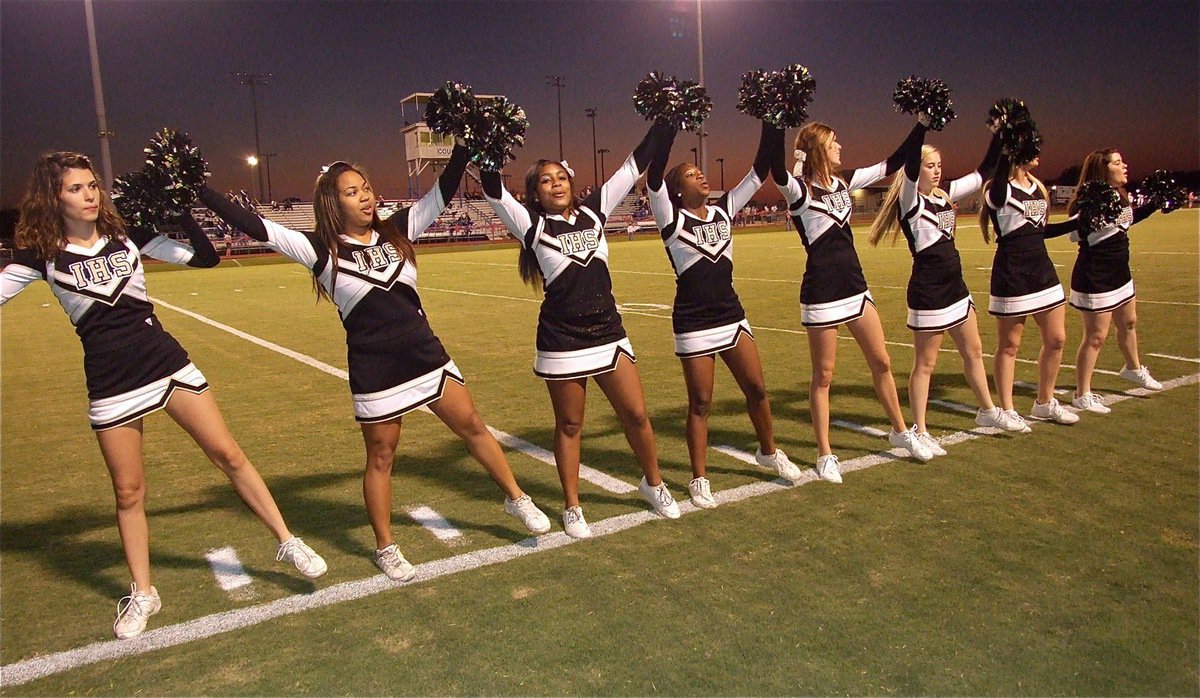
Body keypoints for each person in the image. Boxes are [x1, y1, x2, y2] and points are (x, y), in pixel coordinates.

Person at [0, 152, 327, 640]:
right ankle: (144, 592)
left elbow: (204, 258)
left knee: (228, 454)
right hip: (110, 379)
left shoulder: (127, 233)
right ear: (53, 197)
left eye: (93, 186)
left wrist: (184, 209)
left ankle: (287, 540)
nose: (89, 195)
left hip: (164, 361)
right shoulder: (38, 254)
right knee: (129, 492)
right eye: (76, 188)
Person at [199, 142, 551, 581]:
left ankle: (515, 497)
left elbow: (441, 192)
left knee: (473, 426)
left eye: (366, 188)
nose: (366, 196)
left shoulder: (398, 230)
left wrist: (462, 147)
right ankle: (386, 546)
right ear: (332, 202)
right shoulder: (319, 249)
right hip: (376, 369)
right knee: (381, 457)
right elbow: (255, 225)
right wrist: (199, 189)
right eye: (352, 192)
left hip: (425, 354)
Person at [481, 121, 681, 538]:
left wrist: (665, 119)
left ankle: (654, 484)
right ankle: (573, 505)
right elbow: (492, 187)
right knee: (570, 425)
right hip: (562, 339)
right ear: (535, 194)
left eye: (561, 177)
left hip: (609, 330)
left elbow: (634, 164)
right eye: (546, 181)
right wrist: (486, 142)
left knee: (637, 415)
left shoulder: (594, 211)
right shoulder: (532, 226)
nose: (556, 184)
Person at [647, 120, 803, 508]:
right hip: (694, 322)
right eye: (689, 175)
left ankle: (769, 451)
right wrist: (668, 122)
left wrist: (772, 121)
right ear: (677, 191)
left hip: (731, 316)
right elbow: (653, 178)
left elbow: (760, 171)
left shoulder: (723, 211)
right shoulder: (672, 219)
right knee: (700, 402)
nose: (700, 176)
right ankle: (699, 478)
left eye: (700, 172)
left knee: (757, 389)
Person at [771, 117, 934, 484]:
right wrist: (776, 120)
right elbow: (774, 170)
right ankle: (825, 453)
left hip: (856, 288)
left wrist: (921, 124)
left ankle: (899, 431)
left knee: (882, 361)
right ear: (817, 150)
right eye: (833, 143)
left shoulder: (845, 183)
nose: (840, 147)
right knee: (824, 375)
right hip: (822, 294)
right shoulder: (800, 191)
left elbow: (892, 162)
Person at [867, 126, 1031, 452]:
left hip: (957, 287)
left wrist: (1001, 134)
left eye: (940, 165)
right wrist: (922, 124)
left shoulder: (944, 194)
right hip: (929, 290)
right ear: (917, 169)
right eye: (930, 165)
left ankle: (987, 410)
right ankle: (921, 428)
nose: (937, 170)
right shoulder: (910, 200)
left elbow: (982, 172)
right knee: (925, 364)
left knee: (974, 352)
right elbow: (910, 169)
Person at [980, 148, 1079, 426]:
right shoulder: (997, 189)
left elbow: (1040, 230)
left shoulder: (1038, 187)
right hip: (1012, 271)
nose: (1037, 151)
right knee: (1010, 344)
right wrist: (1005, 144)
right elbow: (998, 193)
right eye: (1029, 146)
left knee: (1057, 338)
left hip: (1041, 269)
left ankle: (1045, 403)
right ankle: (1007, 408)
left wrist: (1076, 222)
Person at [1065, 149, 1163, 414]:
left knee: (1129, 323)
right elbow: (1072, 235)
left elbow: (1127, 220)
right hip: (1095, 275)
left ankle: (1133, 369)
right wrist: (1089, 217)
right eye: (1118, 163)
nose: (1124, 166)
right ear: (1102, 169)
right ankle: (1081, 394)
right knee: (1096, 337)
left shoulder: (1120, 195)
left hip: (1120, 272)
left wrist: (1155, 204)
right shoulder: (1087, 201)